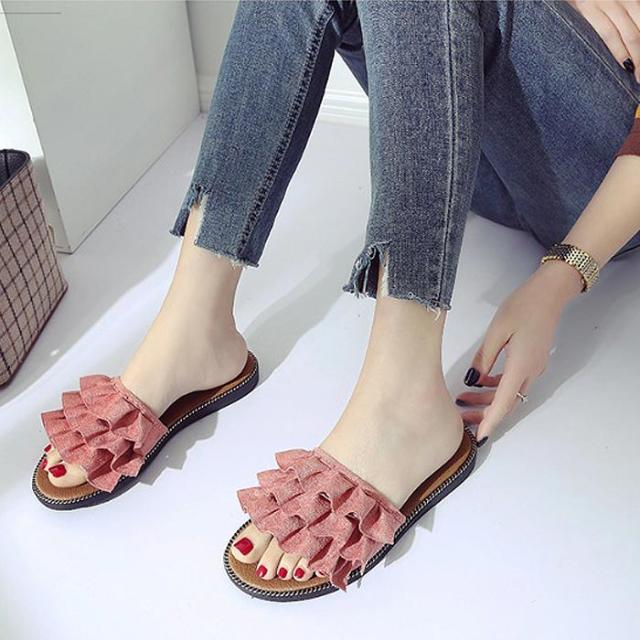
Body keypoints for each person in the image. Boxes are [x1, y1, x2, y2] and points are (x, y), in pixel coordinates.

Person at [33, 0, 639, 599]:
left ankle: (401, 402)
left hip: (603, 178)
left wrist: (562, 276)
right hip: (472, 138)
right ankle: (195, 327)